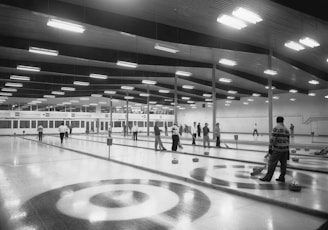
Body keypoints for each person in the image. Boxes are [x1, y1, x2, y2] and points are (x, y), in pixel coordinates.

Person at [260, 116, 290, 182]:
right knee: (283, 164)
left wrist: (270, 148)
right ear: (283, 121)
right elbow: (288, 140)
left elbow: (272, 139)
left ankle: (267, 178)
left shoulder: (276, 128)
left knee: (271, 163)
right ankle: (282, 177)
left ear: (276, 121)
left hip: (278, 149)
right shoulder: (286, 129)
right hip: (285, 149)